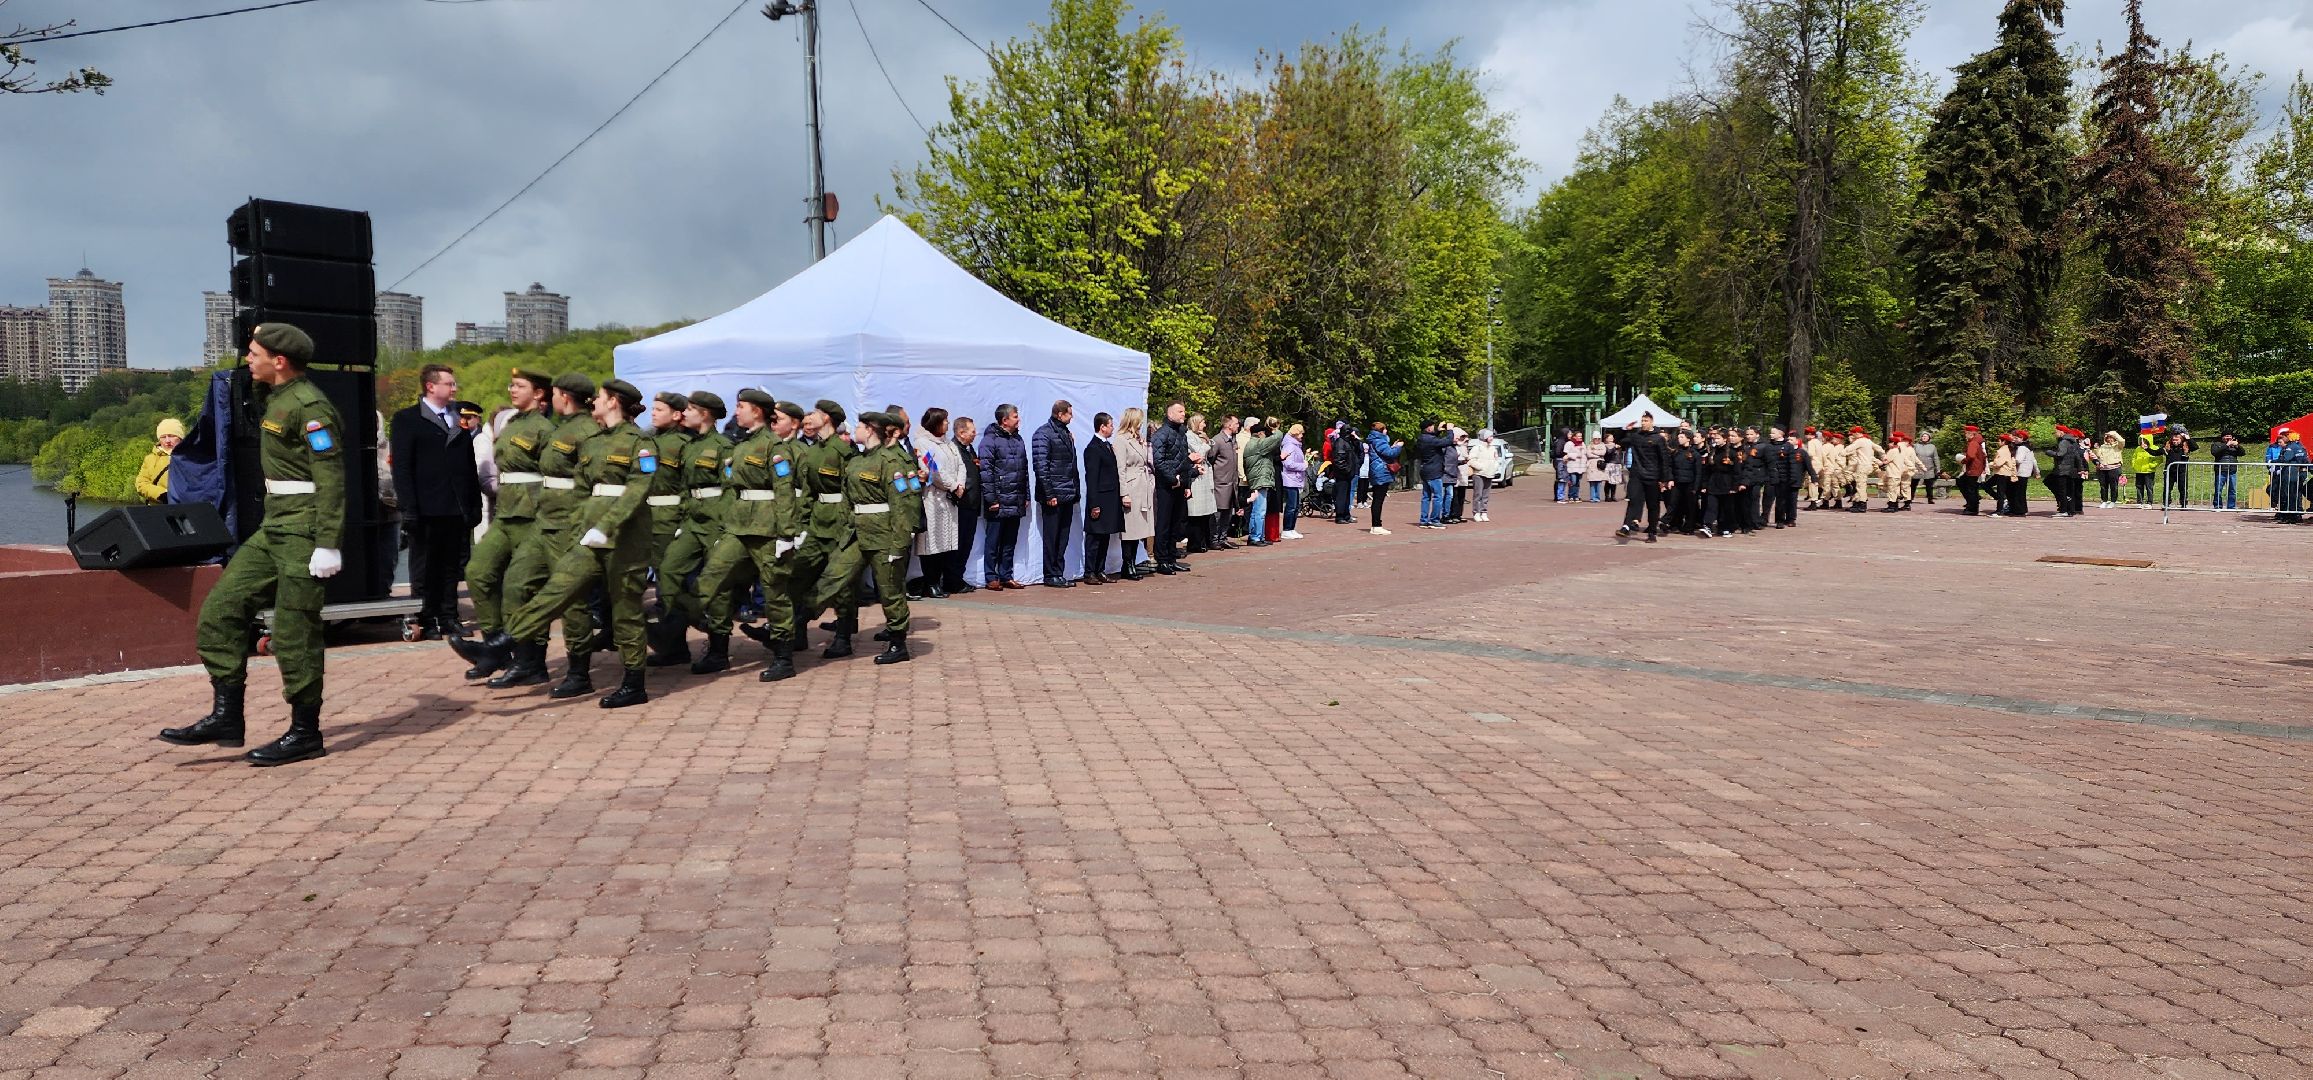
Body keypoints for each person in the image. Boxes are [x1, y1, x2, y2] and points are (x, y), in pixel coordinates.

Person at [162, 324, 343, 766]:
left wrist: (329, 543)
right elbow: (248, 384)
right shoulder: (276, 396)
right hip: (273, 525)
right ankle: (227, 716)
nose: (247, 357)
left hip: (304, 528)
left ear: (279, 361)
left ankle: (305, 733)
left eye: (254, 351)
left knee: (294, 631)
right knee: (221, 610)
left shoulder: (311, 407)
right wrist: (261, 329)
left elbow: (333, 478)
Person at [693, 392, 804, 681]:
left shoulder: (775, 447)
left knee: (774, 591)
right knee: (713, 576)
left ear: (756, 411)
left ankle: (783, 657)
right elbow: (732, 490)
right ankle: (714, 645)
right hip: (738, 526)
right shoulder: (742, 446)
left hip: (767, 528)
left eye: (741, 407)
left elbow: (784, 490)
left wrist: (787, 534)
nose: (736, 412)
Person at [457, 370, 557, 678]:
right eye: (511, 384)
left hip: (532, 514)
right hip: (505, 512)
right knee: (478, 573)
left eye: (520, 386)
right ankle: (494, 648)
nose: (512, 389)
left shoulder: (546, 429)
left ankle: (532, 660)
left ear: (539, 394)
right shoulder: (510, 423)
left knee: (523, 588)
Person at [389, 364, 482, 640]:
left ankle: (449, 616)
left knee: (451, 566)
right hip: (425, 506)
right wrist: (409, 507)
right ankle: (426, 618)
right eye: (449, 384)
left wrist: (473, 503)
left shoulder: (459, 418)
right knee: (425, 566)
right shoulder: (407, 419)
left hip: (455, 506)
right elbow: (402, 468)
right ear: (431, 386)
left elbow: (468, 464)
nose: (454, 388)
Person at [642, 391, 730, 668]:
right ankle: (692, 621)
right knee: (668, 572)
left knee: (717, 584)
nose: (653, 413)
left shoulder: (722, 446)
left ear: (703, 413)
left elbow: (729, 488)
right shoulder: (690, 446)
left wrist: (725, 525)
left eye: (691, 409)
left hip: (713, 519)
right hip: (690, 518)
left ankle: (718, 649)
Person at [842, 411, 921, 664]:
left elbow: (906, 501)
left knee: (889, 587)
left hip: (885, 531)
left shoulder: (896, 460)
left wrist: (901, 539)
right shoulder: (859, 459)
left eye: (860, 426)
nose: (856, 430)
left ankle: (898, 642)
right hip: (861, 529)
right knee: (840, 578)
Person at [914, 408, 967, 598]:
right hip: (932, 499)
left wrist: (959, 484)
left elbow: (960, 464)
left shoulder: (948, 444)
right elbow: (932, 469)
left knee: (945, 542)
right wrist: (952, 485)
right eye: (944, 421)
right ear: (935, 422)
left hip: (949, 500)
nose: (947, 424)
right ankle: (931, 582)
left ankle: (940, 580)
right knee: (931, 543)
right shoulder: (922, 443)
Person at [977, 404, 1028, 589]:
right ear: (1004, 420)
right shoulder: (989, 441)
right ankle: (991, 577)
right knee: (993, 541)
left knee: (1009, 542)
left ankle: (1006, 575)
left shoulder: (1018, 439)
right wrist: (992, 499)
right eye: (1015, 416)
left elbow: (1024, 470)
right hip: (998, 500)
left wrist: (1026, 495)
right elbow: (985, 473)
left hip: (1015, 499)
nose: (1018, 419)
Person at [1032, 400, 1081, 587]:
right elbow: (1041, 466)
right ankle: (1050, 574)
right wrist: (1049, 493)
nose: (1072, 416)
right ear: (1060, 414)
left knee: (1063, 536)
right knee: (1052, 536)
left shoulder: (1065, 433)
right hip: (1054, 494)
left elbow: (1070, 465)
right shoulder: (1043, 433)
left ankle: (1058, 572)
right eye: (1069, 413)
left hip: (1067, 491)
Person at [1115, 407, 1159, 575]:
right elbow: (1121, 469)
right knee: (1130, 528)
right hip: (1132, 487)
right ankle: (1127, 564)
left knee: (1140, 527)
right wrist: (1124, 493)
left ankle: (1133, 561)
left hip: (1143, 486)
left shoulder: (1139, 439)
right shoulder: (1121, 440)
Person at [1150, 402, 1194, 570]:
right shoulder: (1161, 434)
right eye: (1180, 411)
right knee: (1164, 523)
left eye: (1184, 411)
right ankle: (1162, 560)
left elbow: (1184, 460)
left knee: (1175, 523)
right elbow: (1158, 462)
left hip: (1180, 484)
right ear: (1169, 414)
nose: (1184, 414)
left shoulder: (1182, 433)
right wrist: (1172, 479)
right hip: (1165, 486)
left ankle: (1171, 558)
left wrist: (1186, 482)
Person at [1082, 411, 1124, 583]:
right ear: (1102, 427)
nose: (1112, 428)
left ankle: (1100, 569)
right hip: (1100, 498)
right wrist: (1094, 504)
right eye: (1111, 424)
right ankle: (1090, 571)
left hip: (1110, 499)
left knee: (1105, 536)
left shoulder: (1107, 446)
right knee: (1094, 538)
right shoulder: (1093, 448)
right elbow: (1091, 478)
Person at [1614, 413, 1668, 540]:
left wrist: (1664, 479)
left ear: (1652, 422)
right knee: (1633, 500)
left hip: (1652, 475)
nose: (1643, 423)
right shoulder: (1636, 436)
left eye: (1646, 420)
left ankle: (1652, 532)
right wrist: (1624, 430)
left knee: (1652, 505)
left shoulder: (1658, 438)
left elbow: (1664, 460)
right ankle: (1626, 527)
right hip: (1637, 474)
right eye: (1642, 420)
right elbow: (1619, 442)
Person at [948, 416, 982, 593]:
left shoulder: (969, 450)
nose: (975, 434)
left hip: (972, 504)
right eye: (972, 431)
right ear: (961, 432)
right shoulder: (953, 450)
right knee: (958, 545)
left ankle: (957, 578)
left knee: (966, 544)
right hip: (961, 504)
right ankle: (952, 580)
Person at [1243, 420, 1282, 543]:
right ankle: (1256, 537)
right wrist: (1274, 428)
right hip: (1260, 480)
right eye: (1265, 432)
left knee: (1257, 510)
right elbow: (1278, 437)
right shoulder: (1258, 445)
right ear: (1260, 433)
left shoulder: (1252, 444)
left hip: (1257, 479)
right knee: (1260, 510)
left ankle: (1256, 535)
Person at [1184, 414, 1217, 553]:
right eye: (1203, 422)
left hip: (1204, 474)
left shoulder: (1199, 436)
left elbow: (1208, 451)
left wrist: (1206, 442)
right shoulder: (1189, 435)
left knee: (1205, 513)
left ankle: (1203, 540)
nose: (1204, 425)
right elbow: (1199, 451)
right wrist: (1206, 443)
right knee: (1196, 512)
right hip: (1196, 477)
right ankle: (1195, 542)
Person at [1208, 416, 1241, 549]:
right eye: (1236, 423)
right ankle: (1214, 539)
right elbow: (1210, 458)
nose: (1238, 426)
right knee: (1218, 513)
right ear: (1229, 425)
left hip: (1232, 482)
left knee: (1228, 512)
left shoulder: (1232, 440)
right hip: (1220, 482)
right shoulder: (1217, 440)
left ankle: (1223, 537)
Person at [135, 418, 184, 504]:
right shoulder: (150, 459)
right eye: (163, 437)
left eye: (172, 436)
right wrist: (163, 494)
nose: (167, 440)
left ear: (180, 437)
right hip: (158, 510)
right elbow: (141, 484)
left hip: (188, 509)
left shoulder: (192, 457)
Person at [1365, 422, 1401, 535]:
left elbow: (1384, 452)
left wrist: (1392, 446)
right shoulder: (1379, 440)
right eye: (1385, 429)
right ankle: (1376, 525)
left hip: (1376, 470)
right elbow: (1389, 454)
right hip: (1381, 471)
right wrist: (1398, 447)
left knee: (1377, 499)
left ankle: (1376, 525)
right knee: (1378, 500)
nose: (1386, 431)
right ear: (1381, 430)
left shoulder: (1374, 440)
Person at [1415, 421, 1451, 528]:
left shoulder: (1421, 438)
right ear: (1428, 428)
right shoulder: (1430, 440)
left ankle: (1424, 520)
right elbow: (1448, 441)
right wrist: (1450, 430)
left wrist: (1438, 432)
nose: (1433, 427)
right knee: (1438, 496)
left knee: (1426, 497)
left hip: (1425, 470)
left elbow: (1432, 440)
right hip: (1434, 471)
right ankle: (1435, 520)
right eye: (1432, 426)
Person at [1330, 421, 1365, 523]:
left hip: (1348, 473)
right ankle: (1340, 516)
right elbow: (1338, 460)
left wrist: (1355, 440)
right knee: (1341, 495)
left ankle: (1346, 514)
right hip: (1342, 474)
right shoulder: (1340, 442)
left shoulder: (1348, 442)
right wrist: (1346, 470)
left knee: (1346, 495)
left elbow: (1359, 449)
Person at [1279, 423, 1308, 538]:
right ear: (1295, 433)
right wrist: (1303, 466)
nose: (1302, 435)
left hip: (1295, 479)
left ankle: (1291, 528)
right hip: (1290, 479)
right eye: (1300, 433)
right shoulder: (1289, 445)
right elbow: (1288, 463)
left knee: (1296, 506)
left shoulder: (1296, 445)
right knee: (1291, 506)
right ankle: (1286, 529)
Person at [1878, 433, 1917, 513]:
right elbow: (1906, 461)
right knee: (1895, 490)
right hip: (1898, 474)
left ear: (1893, 443)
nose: (1888, 444)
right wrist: (1912, 468)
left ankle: (1892, 506)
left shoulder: (1892, 451)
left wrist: (1879, 460)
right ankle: (1894, 505)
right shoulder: (1899, 451)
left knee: (1891, 490)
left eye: (1890, 442)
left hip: (1892, 473)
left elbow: (1885, 461)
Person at [1467, 428, 1499, 523]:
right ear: (1484, 437)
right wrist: (1481, 467)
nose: (1491, 438)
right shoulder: (1477, 448)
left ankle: (1484, 512)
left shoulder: (1493, 448)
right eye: (1490, 436)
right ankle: (1476, 512)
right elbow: (1471, 460)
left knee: (1486, 495)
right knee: (1478, 494)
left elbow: (1496, 459)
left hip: (1489, 473)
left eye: (1492, 436)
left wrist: (1494, 467)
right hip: (1479, 474)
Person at [2161, 429, 2197, 508]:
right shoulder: (2168, 447)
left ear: (2181, 439)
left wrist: (2188, 438)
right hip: (2169, 471)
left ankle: (2183, 503)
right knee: (2167, 488)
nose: (2175, 441)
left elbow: (2195, 447)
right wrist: (2147, 449)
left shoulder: (2185, 447)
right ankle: (2166, 503)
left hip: (2181, 471)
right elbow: (2157, 452)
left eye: (2177, 439)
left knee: (2182, 488)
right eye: (2173, 440)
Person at [1958, 425, 1988, 516]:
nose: (1965, 436)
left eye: (1966, 433)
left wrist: (1964, 461)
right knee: (1966, 484)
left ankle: (1972, 508)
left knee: (1970, 488)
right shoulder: (1977, 442)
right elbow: (1983, 455)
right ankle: (1973, 504)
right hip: (1976, 468)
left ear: (1970, 434)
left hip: (1973, 468)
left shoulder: (1973, 443)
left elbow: (1971, 455)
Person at [2211, 431, 2244, 510]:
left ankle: (2231, 506)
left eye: (2230, 436)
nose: (2228, 438)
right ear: (2222, 437)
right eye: (2226, 436)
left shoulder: (2234, 446)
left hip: (2232, 470)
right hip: (2220, 470)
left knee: (2232, 489)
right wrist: (2226, 445)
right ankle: (2218, 505)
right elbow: (2214, 452)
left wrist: (2238, 446)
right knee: (2218, 489)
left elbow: (2243, 453)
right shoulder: (2217, 444)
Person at [2009, 430, 2038, 516]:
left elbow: (2019, 460)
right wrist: (2037, 471)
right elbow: (2034, 461)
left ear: (2022, 438)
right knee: (2021, 492)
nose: (2015, 439)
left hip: (2020, 472)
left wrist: (2011, 460)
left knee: (2017, 492)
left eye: (2017, 437)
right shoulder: (2029, 447)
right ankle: (2023, 509)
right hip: (2027, 472)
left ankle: (2018, 510)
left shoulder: (2021, 448)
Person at [2093, 431, 2124, 508]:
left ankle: (2113, 501)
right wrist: (2096, 449)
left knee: (2113, 485)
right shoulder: (2103, 446)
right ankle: (2104, 501)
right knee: (2103, 485)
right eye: (2108, 438)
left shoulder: (2118, 446)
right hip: (2103, 468)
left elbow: (2122, 440)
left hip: (2114, 468)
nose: (2109, 439)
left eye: (2111, 438)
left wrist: (2113, 434)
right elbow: (2098, 455)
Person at [2128, 434, 2159, 507]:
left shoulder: (2154, 448)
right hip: (2139, 471)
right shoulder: (2138, 449)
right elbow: (2134, 458)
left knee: (2149, 487)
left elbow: (2158, 459)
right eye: (2141, 441)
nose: (2143, 443)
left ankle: (2149, 502)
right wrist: (2134, 465)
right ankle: (2139, 502)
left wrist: (2152, 466)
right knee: (2139, 486)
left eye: (2145, 441)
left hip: (2149, 471)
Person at [1911, 436, 1939, 506]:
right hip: (1917, 467)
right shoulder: (1916, 446)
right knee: (1913, 484)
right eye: (1923, 436)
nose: (1924, 437)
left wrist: (1938, 468)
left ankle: (1930, 498)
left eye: (1926, 436)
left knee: (1929, 485)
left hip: (1929, 468)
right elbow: (1912, 456)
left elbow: (1935, 457)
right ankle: (1910, 498)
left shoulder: (1932, 446)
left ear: (1929, 438)